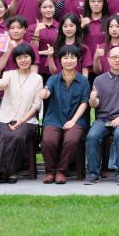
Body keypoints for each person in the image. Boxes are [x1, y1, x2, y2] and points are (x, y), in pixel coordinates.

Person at [0, 44, 44, 184]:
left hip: (27, 120)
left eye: (26, 56)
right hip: (4, 118)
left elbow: (36, 105)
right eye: (19, 58)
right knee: (4, 134)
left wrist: (22, 120)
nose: (23, 60)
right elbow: (3, 83)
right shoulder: (9, 74)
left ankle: (8, 172)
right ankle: (3, 172)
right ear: (15, 60)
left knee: (17, 135)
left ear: (31, 58)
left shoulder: (37, 78)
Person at [39, 45, 91, 183]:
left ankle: (61, 171)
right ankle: (50, 171)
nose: (69, 61)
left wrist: (73, 121)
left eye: (72, 57)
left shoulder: (83, 81)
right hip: (54, 118)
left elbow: (84, 102)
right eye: (65, 57)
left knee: (71, 140)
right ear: (60, 60)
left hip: (76, 120)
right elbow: (47, 91)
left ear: (78, 60)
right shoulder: (53, 79)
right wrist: (44, 93)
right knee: (48, 141)